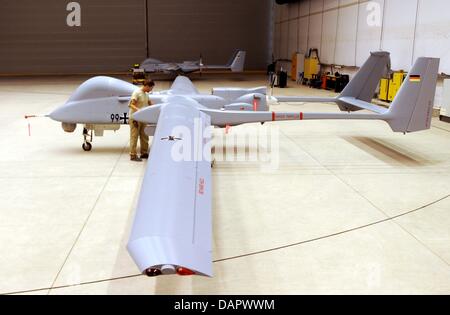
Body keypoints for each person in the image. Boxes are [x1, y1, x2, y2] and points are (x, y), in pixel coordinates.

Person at [129, 79, 155, 162]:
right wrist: (139, 111)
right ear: (147, 86)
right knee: (134, 136)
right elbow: (131, 104)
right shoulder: (137, 93)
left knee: (144, 135)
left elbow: (149, 103)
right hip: (135, 118)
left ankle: (144, 152)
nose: (151, 90)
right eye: (151, 88)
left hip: (143, 118)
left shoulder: (146, 94)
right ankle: (133, 155)